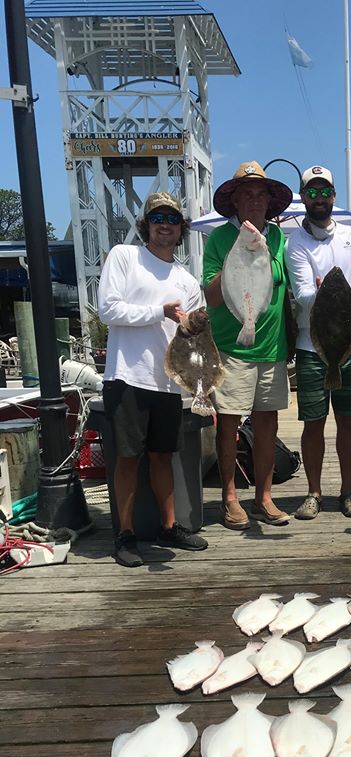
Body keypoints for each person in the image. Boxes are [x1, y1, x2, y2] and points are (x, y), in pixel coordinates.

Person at [98, 192, 208, 567]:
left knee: (164, 457)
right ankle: (124, 535)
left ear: (181, 229)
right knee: (128, 458)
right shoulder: (124, 256)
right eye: (158, 217)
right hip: (127, 376)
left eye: (173, 218)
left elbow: (193, 336)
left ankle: (170, 525)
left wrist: (195, 327)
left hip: (168, 383)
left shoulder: (187, 279)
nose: (165, 223)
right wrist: (158, 311)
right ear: (146, 224)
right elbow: (108, 310)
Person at [203, 161, 294, 529]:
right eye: (247, 194)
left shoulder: (280, 239)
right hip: (232, 348)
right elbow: (211, 297)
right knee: (228, 424)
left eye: (261, 195)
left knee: (267, 424)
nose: (255, 201)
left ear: (269, 202)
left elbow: (288, 287)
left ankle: (264, 497)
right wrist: (237, 257)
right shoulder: (219, 239)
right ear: (235, 201)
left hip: (272, 348)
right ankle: (229, 497)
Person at [285, 165, 351, 521]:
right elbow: (304, 294)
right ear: (302, 197)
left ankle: (348, 491)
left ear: (333, 196)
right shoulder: (296, 242)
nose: (319, 198)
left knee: (348, 422)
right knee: (313, 423)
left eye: (325, 192)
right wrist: (331, 294)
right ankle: (314, 492)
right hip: (312, 347)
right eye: (312, 192)